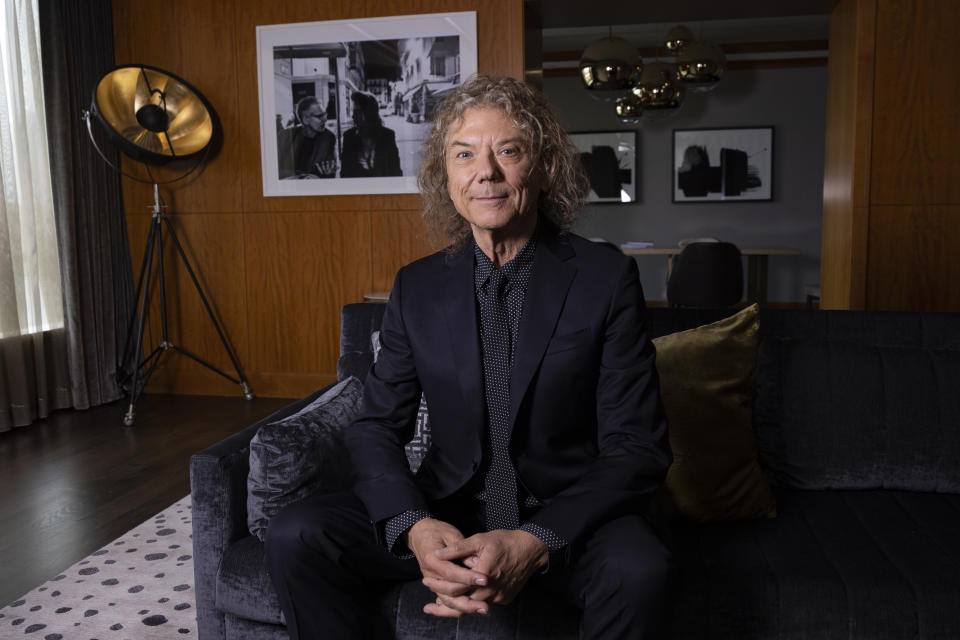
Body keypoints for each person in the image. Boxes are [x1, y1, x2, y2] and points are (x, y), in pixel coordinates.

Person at [266, 75, 673, 640]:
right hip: (449, 510)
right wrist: (415, 526)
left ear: (543, 167)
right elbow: (377, 426)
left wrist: (535, 540)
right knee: (297, 532)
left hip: (564, 515)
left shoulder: (605, 279)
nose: (486, 171)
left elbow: (638, 446)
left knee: (640, 567)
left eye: (508, 150)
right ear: (447, 176)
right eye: (464, 155)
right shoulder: (417, 287)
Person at [340, 91, 402, 178]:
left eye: (357, 111)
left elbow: (396, 173)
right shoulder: (348, 137)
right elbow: (344, 175)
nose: (353, 116)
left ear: (369, 113)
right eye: (353, 112)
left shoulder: (387, 136)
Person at [278, 96, 337, 179]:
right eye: (320, 116)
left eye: (325, 114)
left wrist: (328, 173)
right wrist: (300, 177)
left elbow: (330, 172)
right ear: (305, 119)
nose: (325, 119)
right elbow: (273, 169)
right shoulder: (285, 136)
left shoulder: (329, 138)